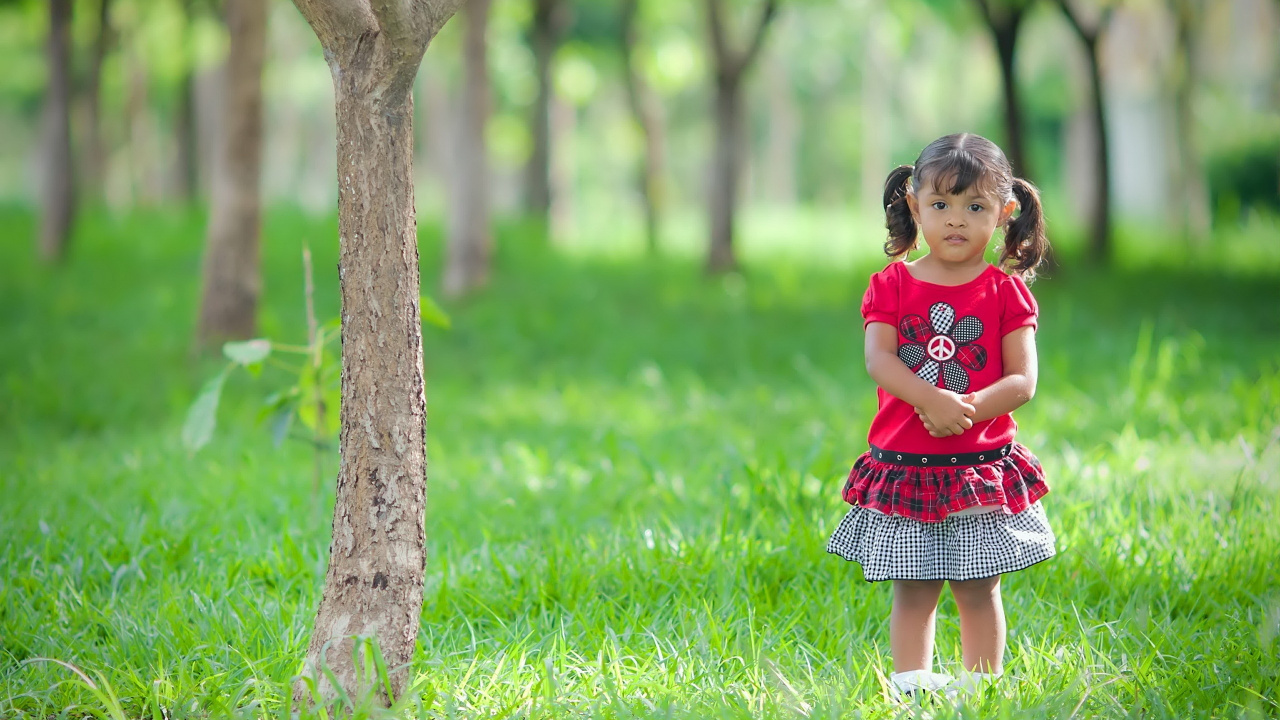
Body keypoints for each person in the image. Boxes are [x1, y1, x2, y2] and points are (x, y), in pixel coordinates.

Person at [826, 133, 1057, 699]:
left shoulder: (1005, 292)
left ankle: (980, 689)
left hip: (977, 464)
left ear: (1004, 214)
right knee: (914, 586)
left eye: (975, 207)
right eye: (941, 206)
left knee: (978, 586)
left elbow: (1022, 380)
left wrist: (967, 409)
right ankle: (910, 686)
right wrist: (929, 398)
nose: (956, 220)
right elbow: (878, 357)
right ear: (914, 206)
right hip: (907, 463)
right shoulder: (893, 284)